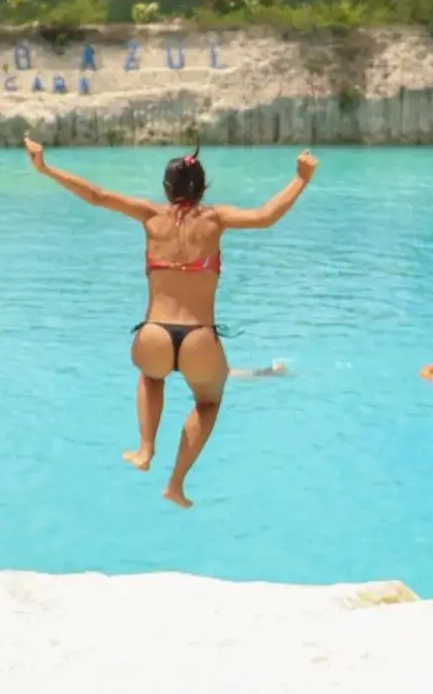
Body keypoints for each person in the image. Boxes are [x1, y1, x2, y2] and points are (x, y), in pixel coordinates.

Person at [24, 134, 317, 508]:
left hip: (154, 334)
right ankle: (176, 484)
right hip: (199, 339)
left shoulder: (149, 215)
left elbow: (96, 195)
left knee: (151, 376)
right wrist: (300, 179)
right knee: (208, 403)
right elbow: (265, 216)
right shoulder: (217, 218)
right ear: (202, 188)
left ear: (166, 188)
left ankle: (146, 449)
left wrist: (45, 168)